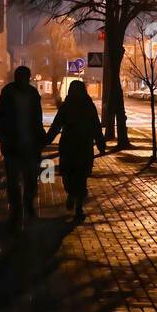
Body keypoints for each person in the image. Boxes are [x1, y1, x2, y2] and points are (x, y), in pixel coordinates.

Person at [44, 79, 107, 220]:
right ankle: (77, 203)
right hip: (83, 145)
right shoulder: (88, 106)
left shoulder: (67, 106)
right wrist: (101, 144)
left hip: (69, 145)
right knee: (81, 176)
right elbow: (96, 126)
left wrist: (46, 140)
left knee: (69, 173)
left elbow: (56, 125)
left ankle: (73, 197)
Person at [0, 66, 45, 224]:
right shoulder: (8, 93)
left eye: (26, 77)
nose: (24, 80)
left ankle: (28, 204)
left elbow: (38, 118)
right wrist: (3, 137)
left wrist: (39, 137)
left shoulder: (33, 94)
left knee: (30, 178)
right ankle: (16, 208)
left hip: (30, 144)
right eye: (21, 77)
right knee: (13, 179)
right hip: (13, 145)